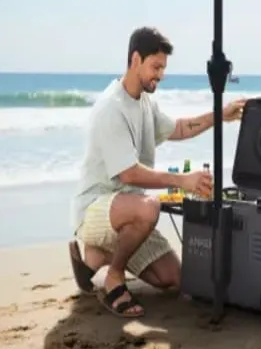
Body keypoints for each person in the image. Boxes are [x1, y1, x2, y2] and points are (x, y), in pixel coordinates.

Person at [67, 26, 247, 317]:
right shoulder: (111, 108)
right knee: (149, 208)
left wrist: (220, 115)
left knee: (174, 279)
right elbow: (128, 174)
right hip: (95, 209)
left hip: (127, 209)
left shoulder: (146, 102)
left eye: (163, 68)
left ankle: (96, 257)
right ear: (135, 59)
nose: (160, 75)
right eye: (156, 67)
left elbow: (177, 128)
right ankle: (113, 276)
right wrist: (182, 181)